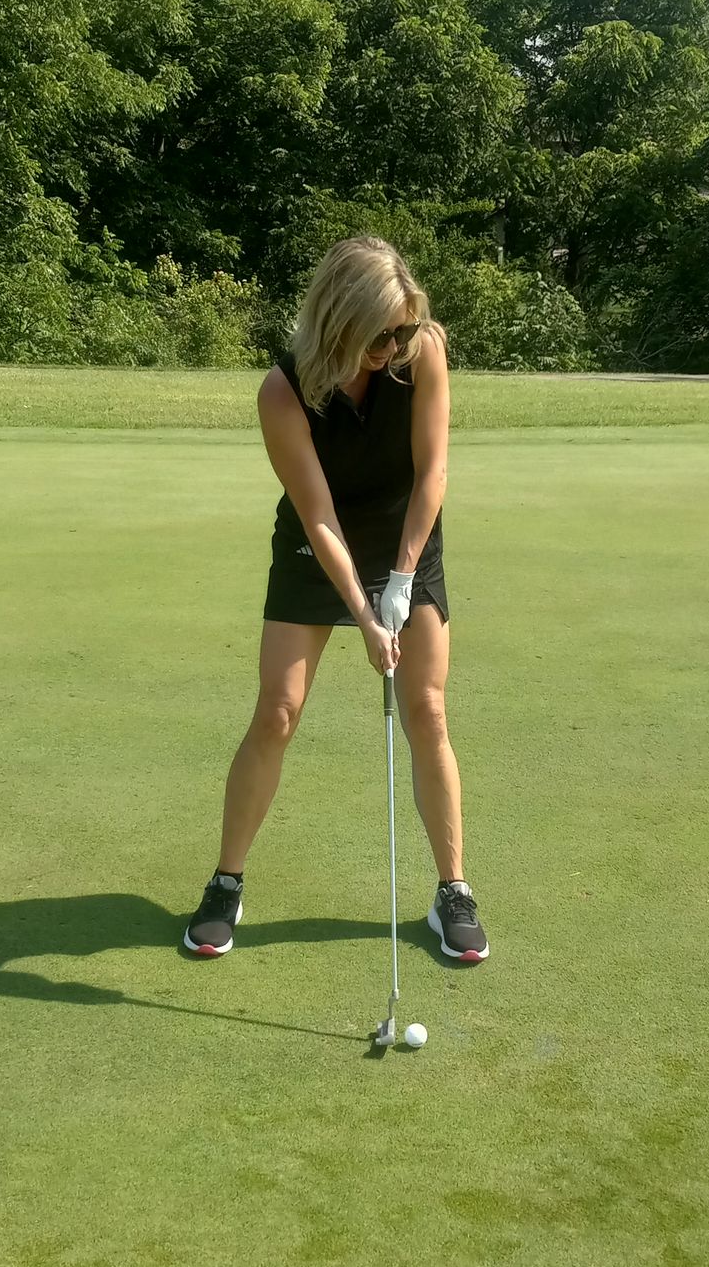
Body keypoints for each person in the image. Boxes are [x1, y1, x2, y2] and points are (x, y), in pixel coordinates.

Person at [182, 234, 490, 966]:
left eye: (404, 328)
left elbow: (433, 471)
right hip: (317, 549)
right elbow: (316, 514)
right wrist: (362, 610)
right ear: (340, 323)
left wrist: (404, 579)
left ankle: (453, 892)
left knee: (428, 709)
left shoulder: (422, 352)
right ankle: (227, 881)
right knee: (278, 711)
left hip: (405, 533)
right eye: (382, 332)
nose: (397, 343)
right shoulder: (283, 390)